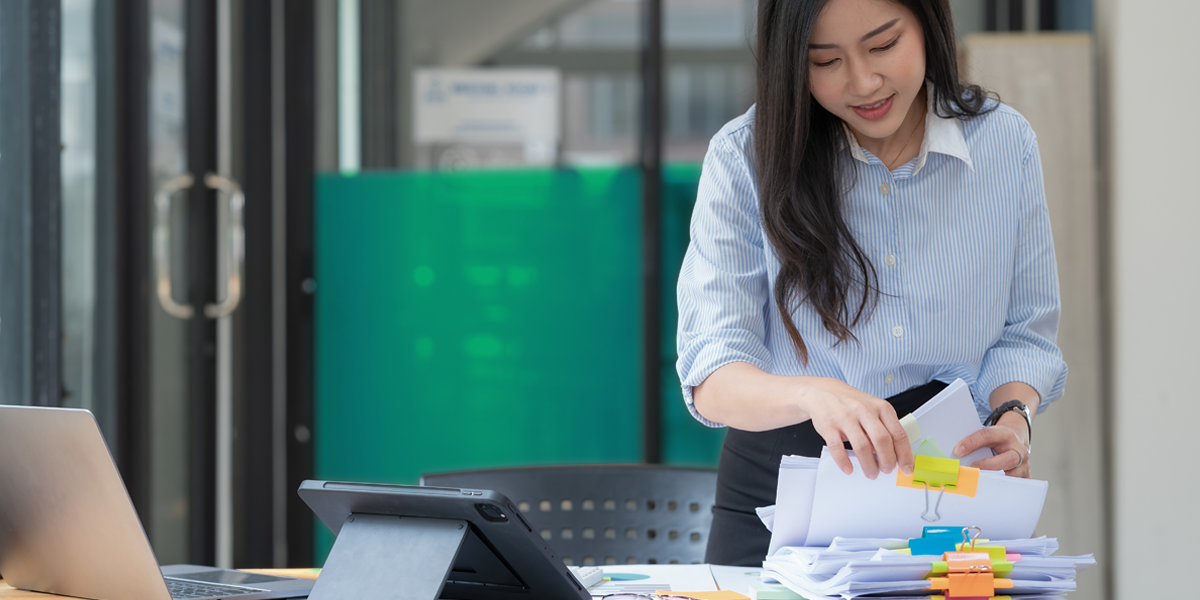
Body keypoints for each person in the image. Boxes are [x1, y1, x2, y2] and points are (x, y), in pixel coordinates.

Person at [675, 0, 1067, 566]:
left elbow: (1027, 333)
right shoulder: (744, 157)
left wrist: (1014, 417)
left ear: (929, 25)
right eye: (825, 61)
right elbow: (712, 370)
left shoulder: (1004, 145)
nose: (863, 81)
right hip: (786, 491)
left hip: (947, 485)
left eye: (884, 46)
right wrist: (813, 394)